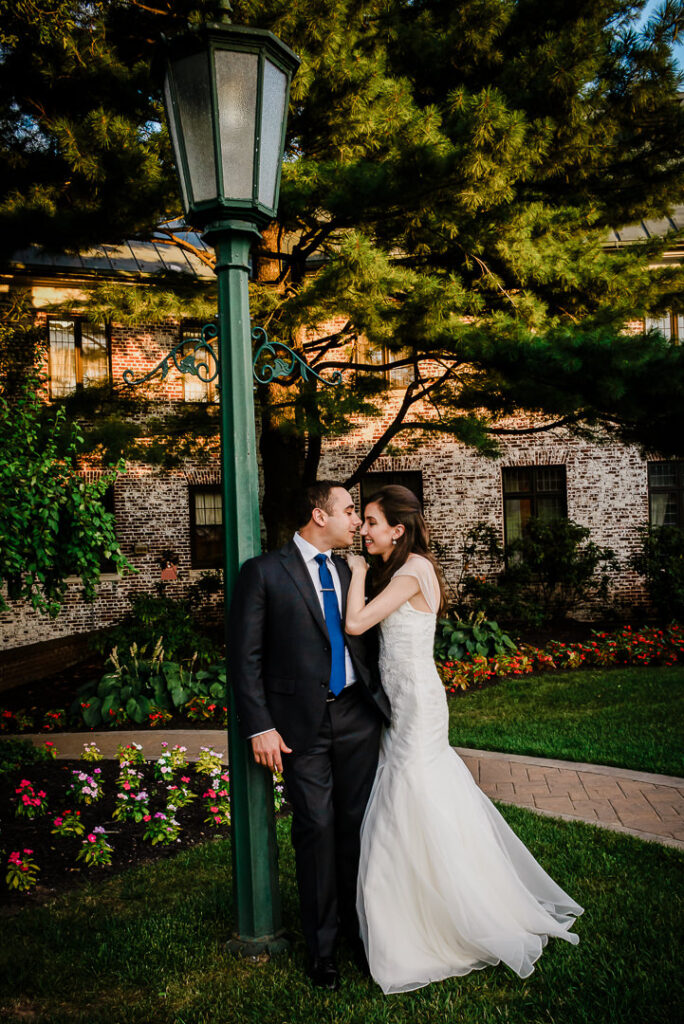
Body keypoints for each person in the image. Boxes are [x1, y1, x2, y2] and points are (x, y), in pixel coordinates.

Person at [345, 484, 583, 995]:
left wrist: (358, 575)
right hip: (406, 701)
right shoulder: (409, 568)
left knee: (410, 793)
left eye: (370, 521)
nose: (363, 530)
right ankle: (415, 904)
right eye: (362, 521)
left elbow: (356, 621)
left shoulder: (411, 572)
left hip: (415, 703)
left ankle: (437, 915)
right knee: (419, 791)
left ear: (397, 529)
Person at [228, 480, 391, 991]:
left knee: (358, 830)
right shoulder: (263, 573)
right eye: (348, 512)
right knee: (316, 830)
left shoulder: (351, 571)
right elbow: (244, 657)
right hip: (300, 728)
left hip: (356, 720)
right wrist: (260, 725)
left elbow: (368, 641)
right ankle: (322, 953)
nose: (356, 523)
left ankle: (362, 937)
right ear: (319, 515)